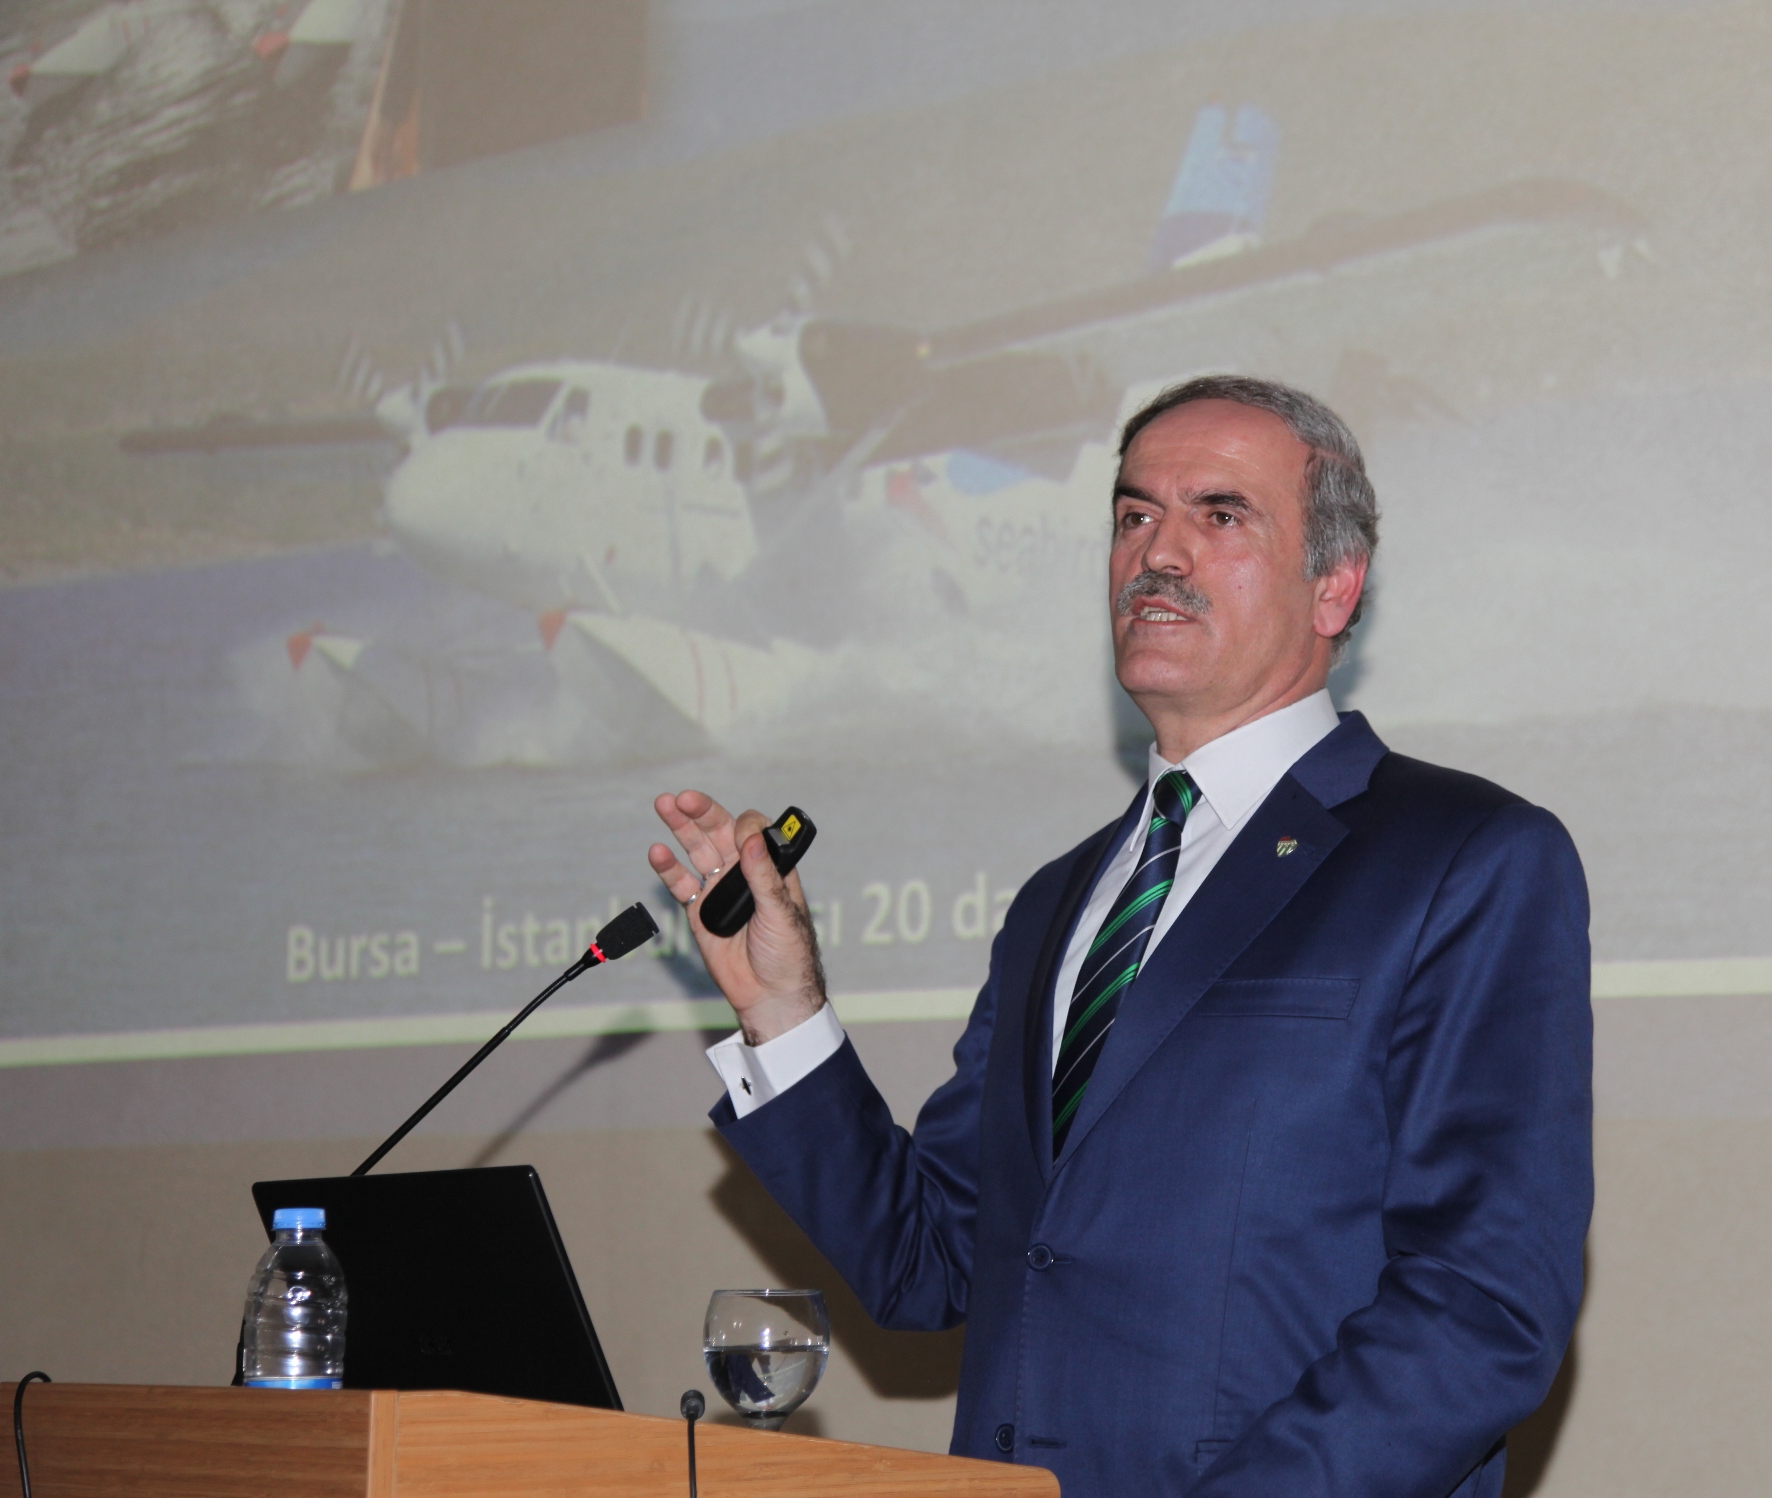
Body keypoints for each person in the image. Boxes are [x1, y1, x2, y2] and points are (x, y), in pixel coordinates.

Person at [648, 375, 1592, 1498]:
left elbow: (1481, 1302)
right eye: (1135, 514)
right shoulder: (1059, 900)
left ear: (1334, 586)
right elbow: (930, 1263)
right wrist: (783, 1011)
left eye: (1220, 515)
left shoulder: (1464, 858)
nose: (1159, 553)